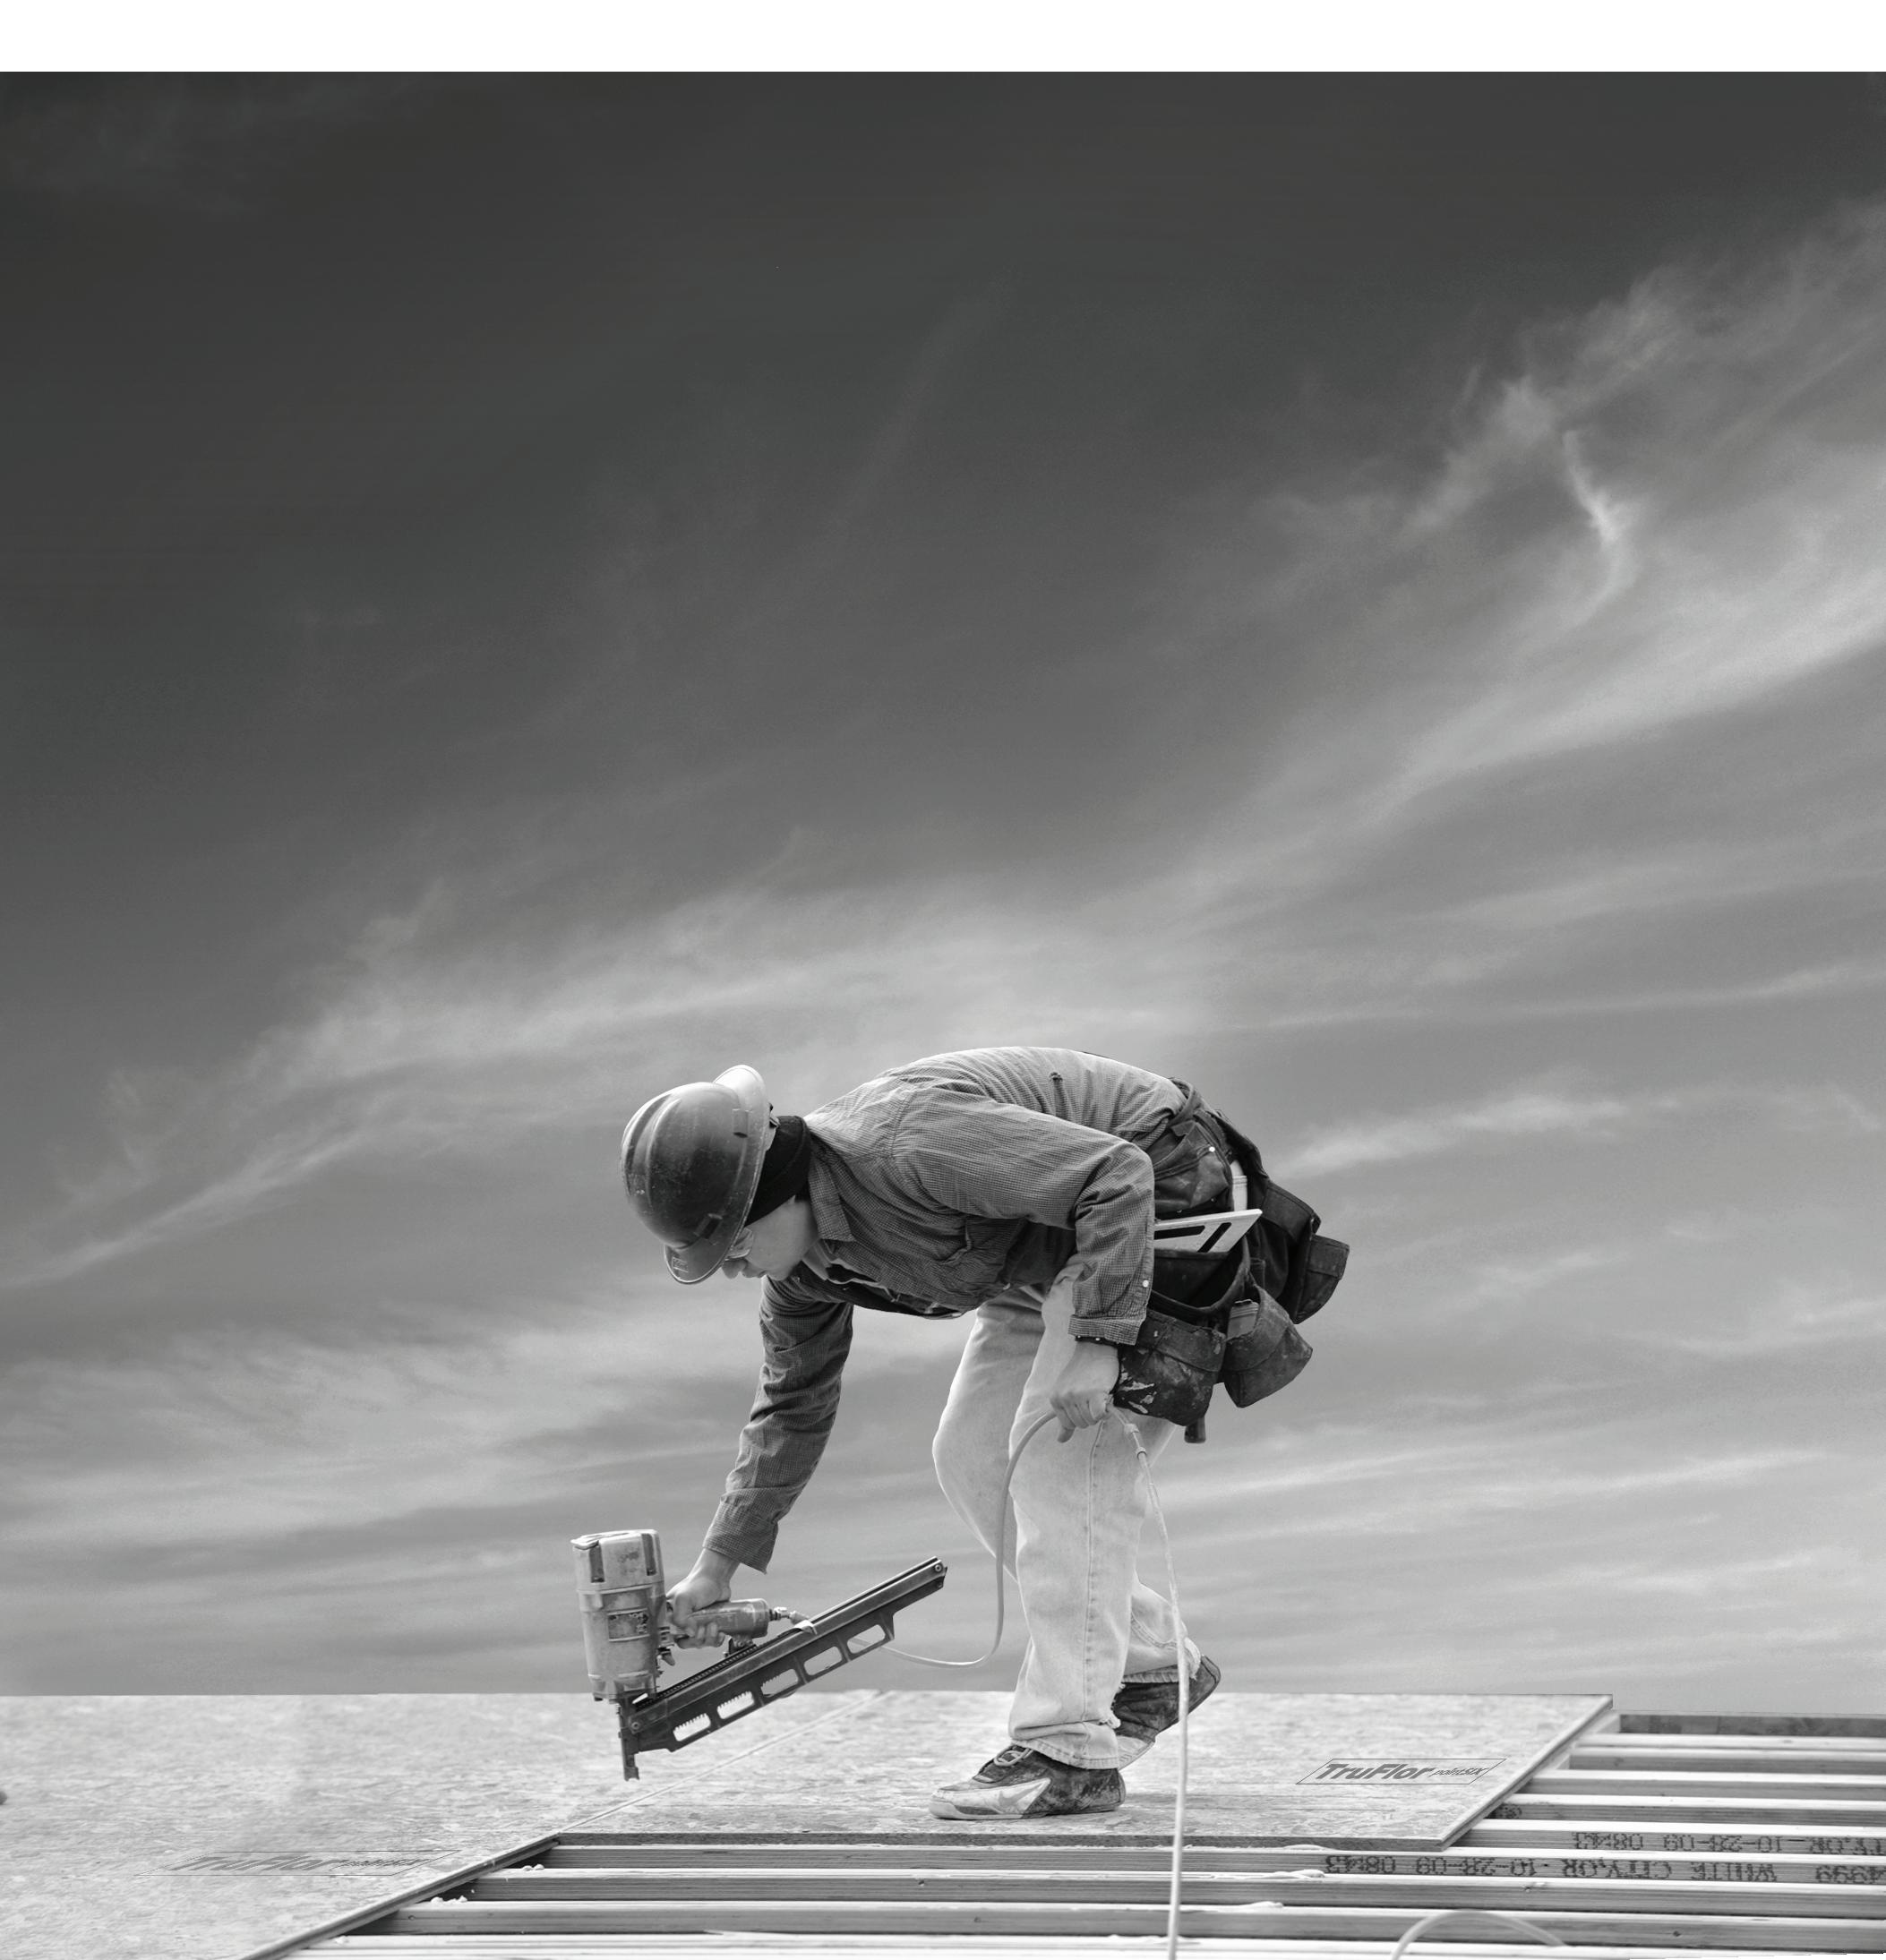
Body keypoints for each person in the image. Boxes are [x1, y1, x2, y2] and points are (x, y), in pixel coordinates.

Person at [620, 1045, 1265, 1819]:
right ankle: (1155, 1663)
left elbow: (1114, 1175)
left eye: (731, 1248)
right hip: (1044, 1255)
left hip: (1158, 1205)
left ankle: (1069, 1752)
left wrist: (1097, 1341)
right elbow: (790, 1406)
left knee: (1059, 1463)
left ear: (772, 1193)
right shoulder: (801, 1274)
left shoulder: (906, 1142)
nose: (729, 1271)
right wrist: (716, 1566)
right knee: (967, 1454)